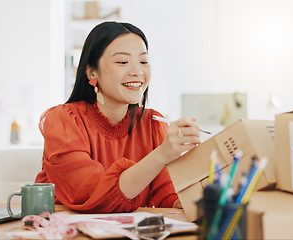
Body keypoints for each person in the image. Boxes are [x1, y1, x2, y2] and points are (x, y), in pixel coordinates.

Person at [35, 21, 202, 213]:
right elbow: (91, 195)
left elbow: (167, 195)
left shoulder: (153, 124)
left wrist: (194, 202)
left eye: (143, 61)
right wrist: (162, 155)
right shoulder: (64, 120)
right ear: (92, 72)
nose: (137, 71)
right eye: (122, 62)